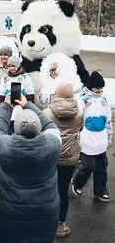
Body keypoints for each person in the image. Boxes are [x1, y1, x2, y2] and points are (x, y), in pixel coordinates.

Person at [0, 94, 62, 243]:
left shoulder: (3, 147)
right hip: (45, 211)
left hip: (10, 212)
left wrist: (6, 106)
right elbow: (50, 126)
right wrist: (28, 105)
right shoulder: (54, 145)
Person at [44, 83, 84, 238]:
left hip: (51, 156)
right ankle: (61, 225)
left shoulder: (46, 113)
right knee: (63, 190)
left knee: (48, 190)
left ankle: (47, 222)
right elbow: (80, 129)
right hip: (70, 158)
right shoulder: (79, 112)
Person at [72, 71, 113, 202]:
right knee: (88, 166)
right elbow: (77, 121)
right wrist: (77, 138)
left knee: (102, 165)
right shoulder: (83, 101)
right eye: (97, 87)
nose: (99, 90)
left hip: (100, 140)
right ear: (90, 87)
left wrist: (109, 136)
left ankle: (100, 191)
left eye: (101, 87)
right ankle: (77, 182)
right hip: (87, 140)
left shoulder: (104, 100)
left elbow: (107, 120)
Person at [0, 55, 34, 134]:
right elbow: (1, 96)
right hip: (9, 112)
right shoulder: (5, 78)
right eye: (9, 66)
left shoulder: (26, 78)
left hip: (21, 112)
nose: (11, 68)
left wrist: (28, 110)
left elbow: (30, 97)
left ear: (18, 66)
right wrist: (1, 111)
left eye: (14, 66)